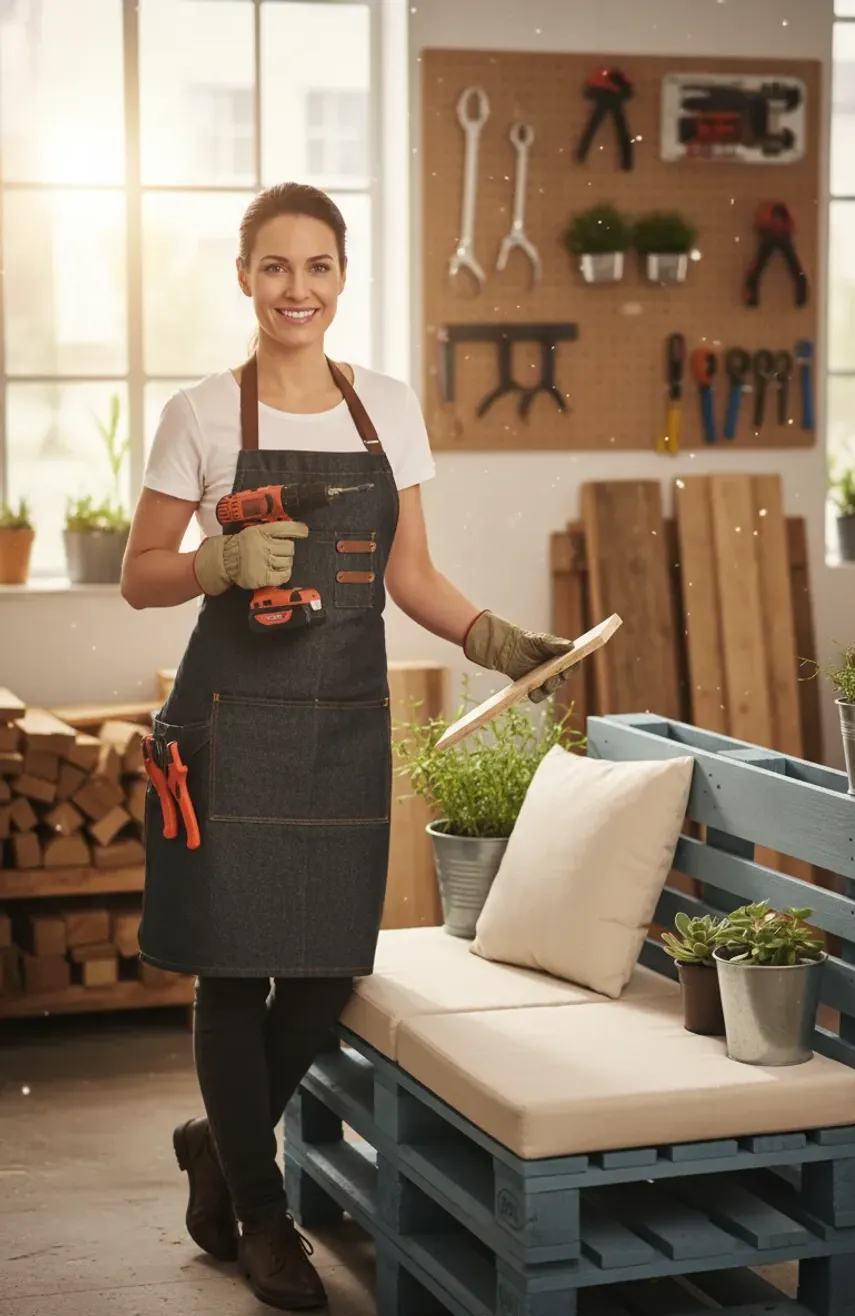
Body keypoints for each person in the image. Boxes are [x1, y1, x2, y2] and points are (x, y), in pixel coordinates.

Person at [120, 182, 577, 1312]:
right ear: (243, 277)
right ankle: (262, 1217)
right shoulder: (199, 414)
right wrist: (216, 563)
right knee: (232, 973)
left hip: (339, 729)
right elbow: (138, 575)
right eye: (275, 267)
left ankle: (212, 1141)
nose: (297, 289)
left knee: (325, 969)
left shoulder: (385, 407)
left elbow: (408, 574)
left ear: (341, 276)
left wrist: (503, 640)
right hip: (230, 722)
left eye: (318, 266)